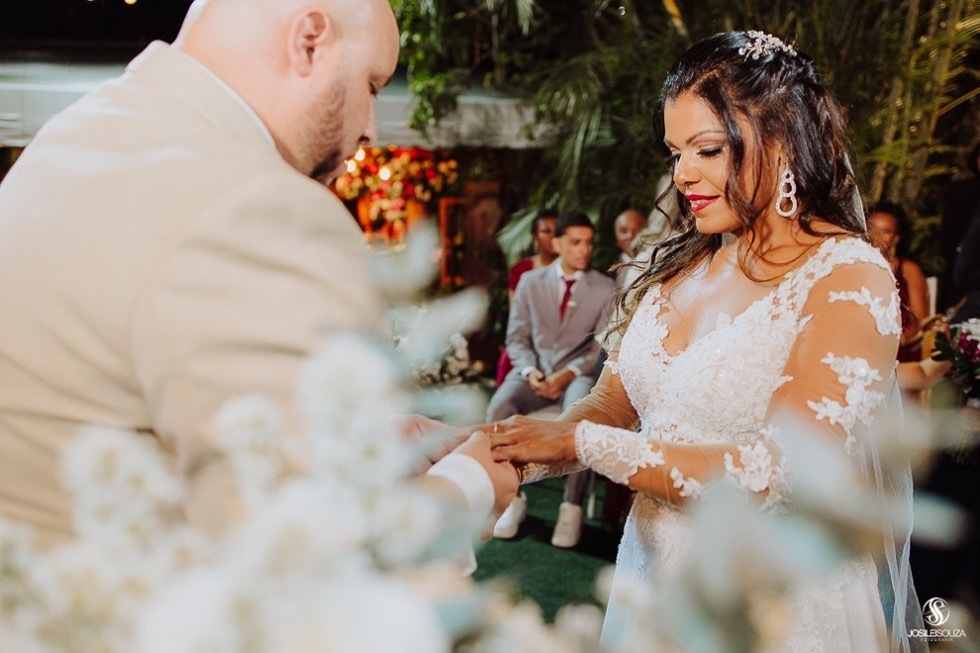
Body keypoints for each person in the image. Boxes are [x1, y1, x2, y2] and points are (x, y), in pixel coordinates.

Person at [0, 0, 516, 550]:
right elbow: (304, 555)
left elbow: (142, 383)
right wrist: (468, 486)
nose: (370, 128)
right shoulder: (259, 204)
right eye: (372, 84)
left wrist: (368, 437)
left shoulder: (75, 135)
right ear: (310, 40)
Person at [488, 31, 921, 651]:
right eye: (675, 152)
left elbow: (779, 474)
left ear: (782, 141)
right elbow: (612, 405)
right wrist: (499, 453)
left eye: (708, 149)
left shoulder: (847, 277)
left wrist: (583, 441)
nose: (683, 174)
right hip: (654, 580)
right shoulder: (678, 269)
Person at [488, 210, 616, 547]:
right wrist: (531, 371)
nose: (584, 250)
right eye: (575, 242)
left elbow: (599, 345)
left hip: (577, 374)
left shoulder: (604, 287)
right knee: (499, 406)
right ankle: (510, 501)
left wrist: (568, 373)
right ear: (557, 242)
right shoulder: (530, 282)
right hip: (532, 371)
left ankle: (570, 508)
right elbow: (516, 338)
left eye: (588, 243)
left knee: (582, 412)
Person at [496, 209, 559, 385]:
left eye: (557, 231)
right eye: (546, 231)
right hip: (529, 339)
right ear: (535, 236)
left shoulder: (574, 271)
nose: (552, 236)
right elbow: (517, 315)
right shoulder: (521, 270)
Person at [867, 201, 931, 362]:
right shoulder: (849, 266)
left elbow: (920, 320)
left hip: (898, 351)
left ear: (896, 238)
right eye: (871, 228)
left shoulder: (908, 269)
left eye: (885, 231)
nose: (876, 236)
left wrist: (896, 342)